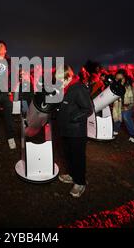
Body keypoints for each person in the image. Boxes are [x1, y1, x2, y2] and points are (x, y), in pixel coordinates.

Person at [56, 65, 93, 198]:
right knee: (68, 155)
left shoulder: (78, 88)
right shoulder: (66, 88)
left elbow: (88, 109)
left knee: (77, 157)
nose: (59, 83)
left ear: (69, 76)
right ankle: (72, 175)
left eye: (61, 80)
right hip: (66, 130)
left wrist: (73, 118)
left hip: (76, 131)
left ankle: (80, 182)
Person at [112, 69, 134, 142]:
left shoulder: (132, 87)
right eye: (117, 78)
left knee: (125, 116)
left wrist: (128, 107)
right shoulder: (115, 86)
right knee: (117, 114)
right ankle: (115, 131)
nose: (118, 80)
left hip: (130, 105)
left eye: (120, 79)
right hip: (119, 105)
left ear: (125, 78)